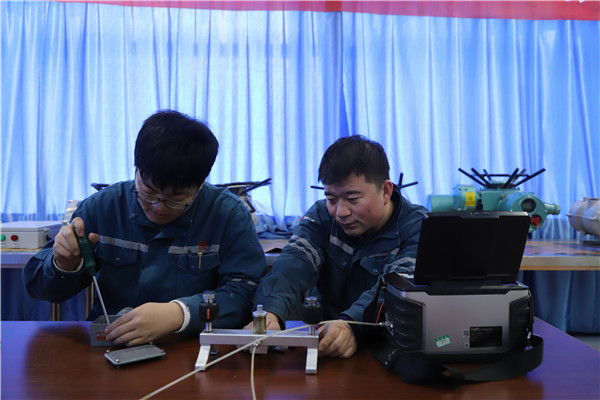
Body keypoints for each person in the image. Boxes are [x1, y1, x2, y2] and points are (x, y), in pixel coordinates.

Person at [23, 110, 266, 346]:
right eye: (148, 192)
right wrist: (63, 264)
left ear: (200, 184)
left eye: (176, 199)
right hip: (111, 344)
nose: (158, 207)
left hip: (191, 349)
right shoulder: (103, 207)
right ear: (136, 169)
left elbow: (245, 293)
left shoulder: (228, 214)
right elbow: (40, 289)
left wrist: (180, 314)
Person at [248, 135, 427, 358]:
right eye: (332, 199)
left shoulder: (420, 228)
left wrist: (351, 324)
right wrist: (270, 313)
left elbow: (394, 289)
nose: (341, 212)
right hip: (325, 346)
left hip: (389, 351)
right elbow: (293, 263)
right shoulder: (321, 216)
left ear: (386, 191)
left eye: (353, 199)